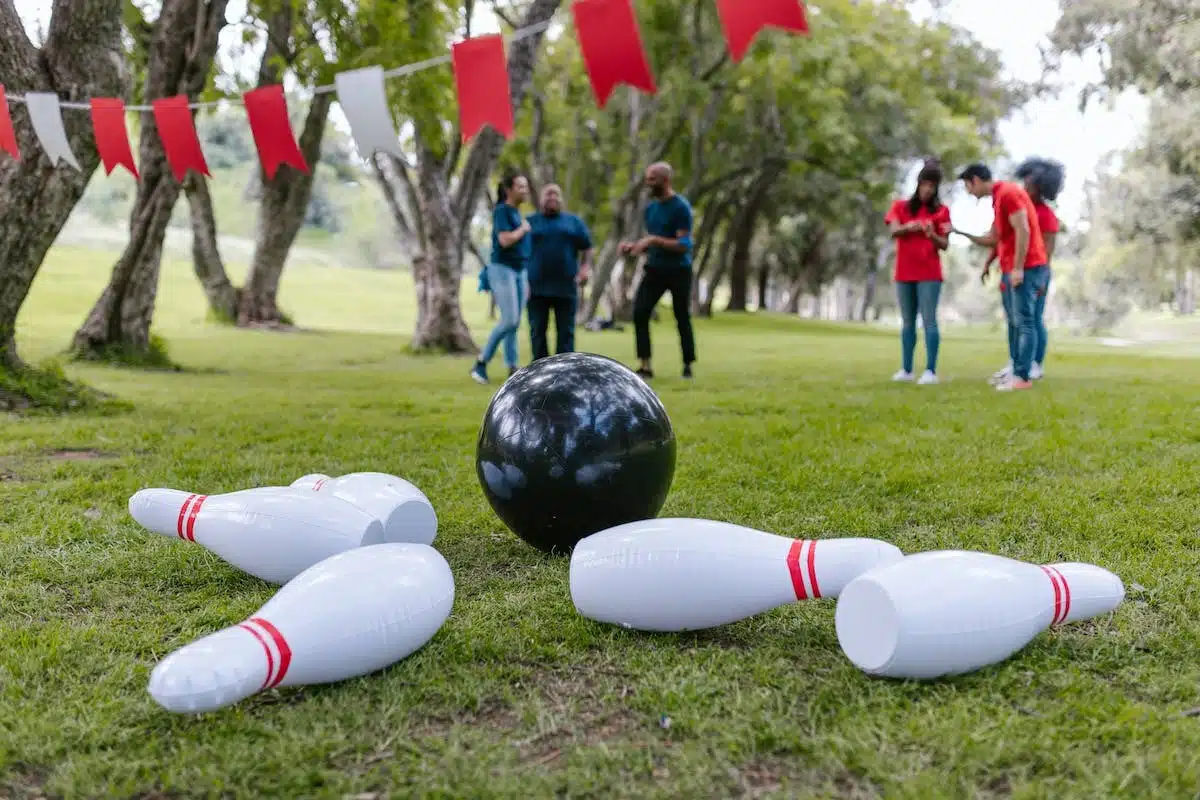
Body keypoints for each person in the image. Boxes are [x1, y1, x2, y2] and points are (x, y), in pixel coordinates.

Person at [952, 163, 1048, 392]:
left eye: (967, 186)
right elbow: (996, 238)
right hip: (1010, 267)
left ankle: (1022, 377)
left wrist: (1017, 268)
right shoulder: (998, 197)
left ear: (975, 180)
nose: (968, 192)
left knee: (1025, 322)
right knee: (1015, 323)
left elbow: (1023, 229)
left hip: (1028, 266)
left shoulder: (1008, 194)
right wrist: (960, 233)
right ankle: (1015, 370)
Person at [981, 158, 1065, 383]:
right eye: (1025, 181)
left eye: (1031, 184)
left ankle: (1034, 363)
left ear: (1042, 187)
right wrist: (990, 262)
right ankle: (1015, 361)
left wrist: (1041, 280)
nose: (1025, 187)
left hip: (1034, 271)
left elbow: (1047, 251)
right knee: (1014, 319)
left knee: (1033, 319)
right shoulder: (1015, 203)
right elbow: (1001, 239)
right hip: (1012, 269)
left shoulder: (1046, 216)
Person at [621, 162, 696, 380]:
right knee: (640, 312)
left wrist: (653, 240)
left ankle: (687, 364)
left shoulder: (681, 207)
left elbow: (683, 244)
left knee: (682, 316)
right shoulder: (651, 209)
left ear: (666, 180)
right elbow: (653, 243)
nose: (648, 182)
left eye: (652, 178)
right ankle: (645, 365)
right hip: (655, 268)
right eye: (647, 177)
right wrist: (633, 247)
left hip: (679, 270)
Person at [884, 159, 951, 385]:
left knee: (929, 321)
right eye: (925, 184)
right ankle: (906, 369)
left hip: (930, 273)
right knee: (907, 322)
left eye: (932, 186)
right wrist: (910, 227)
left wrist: (931, 234)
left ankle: (931, 371)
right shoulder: (900, 207)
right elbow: (893, 231)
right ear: (918, 183)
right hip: (904, 272)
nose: (928, 189)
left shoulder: (942, 211)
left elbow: (944, 244)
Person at [471, 173, 531, 385]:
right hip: (502, 269)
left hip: (519, 271)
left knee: (513, 323)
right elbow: (505, 240)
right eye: (520, 186)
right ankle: (481, 362)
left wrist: (526, 279)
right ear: (509, 190)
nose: (525, 190)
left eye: (526, 186)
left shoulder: (516, 212)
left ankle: (512, 367)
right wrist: (523, 230)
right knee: (509, 320)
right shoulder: (502, 211)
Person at [525, 184, 593, 360]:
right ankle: (539, 372)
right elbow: (520, 252)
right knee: (538, 331)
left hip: (566, 286)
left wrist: (585, 269)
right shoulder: (530, 222)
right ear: (541, 199)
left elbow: (587, 247)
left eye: (556, 194)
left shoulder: (573, 222)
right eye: (548, 194)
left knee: (566, 333)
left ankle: (565, 369)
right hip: (536, 287)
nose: (553, 197)